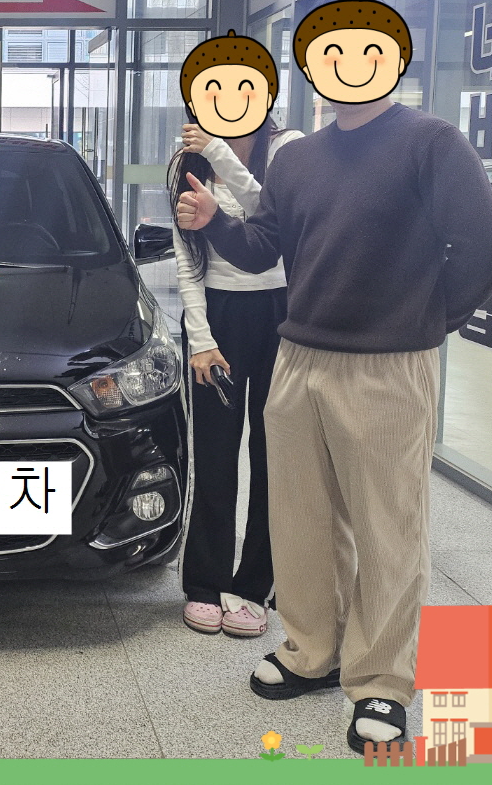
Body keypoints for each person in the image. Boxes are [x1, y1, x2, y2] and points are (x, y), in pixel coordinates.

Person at [175, 0, 492, 753]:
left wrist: (422, 324)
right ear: (309, 66)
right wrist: (215, 223)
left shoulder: (432, 143)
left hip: (388, 365)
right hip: (299, 356)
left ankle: (381, 680)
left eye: (367, 51)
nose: (349, 65)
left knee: (388, 526)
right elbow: (265, 247)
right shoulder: (298, 159)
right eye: (331, 53)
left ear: (396, 60)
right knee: (301, 517)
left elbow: (481, 251)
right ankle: (312, 651)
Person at [168, 31, 302, 639]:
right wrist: (199, 338)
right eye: (211, 89)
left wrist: (222, 153)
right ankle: (204, 582)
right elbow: (186, 258)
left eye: (242, 86)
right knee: (216, 453)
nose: (227, 98)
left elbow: (271, 221)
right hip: (217, 316)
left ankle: (255, 586)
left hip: (280, 314)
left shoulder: (288, 149)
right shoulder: (186, 161)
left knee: (274, 456)